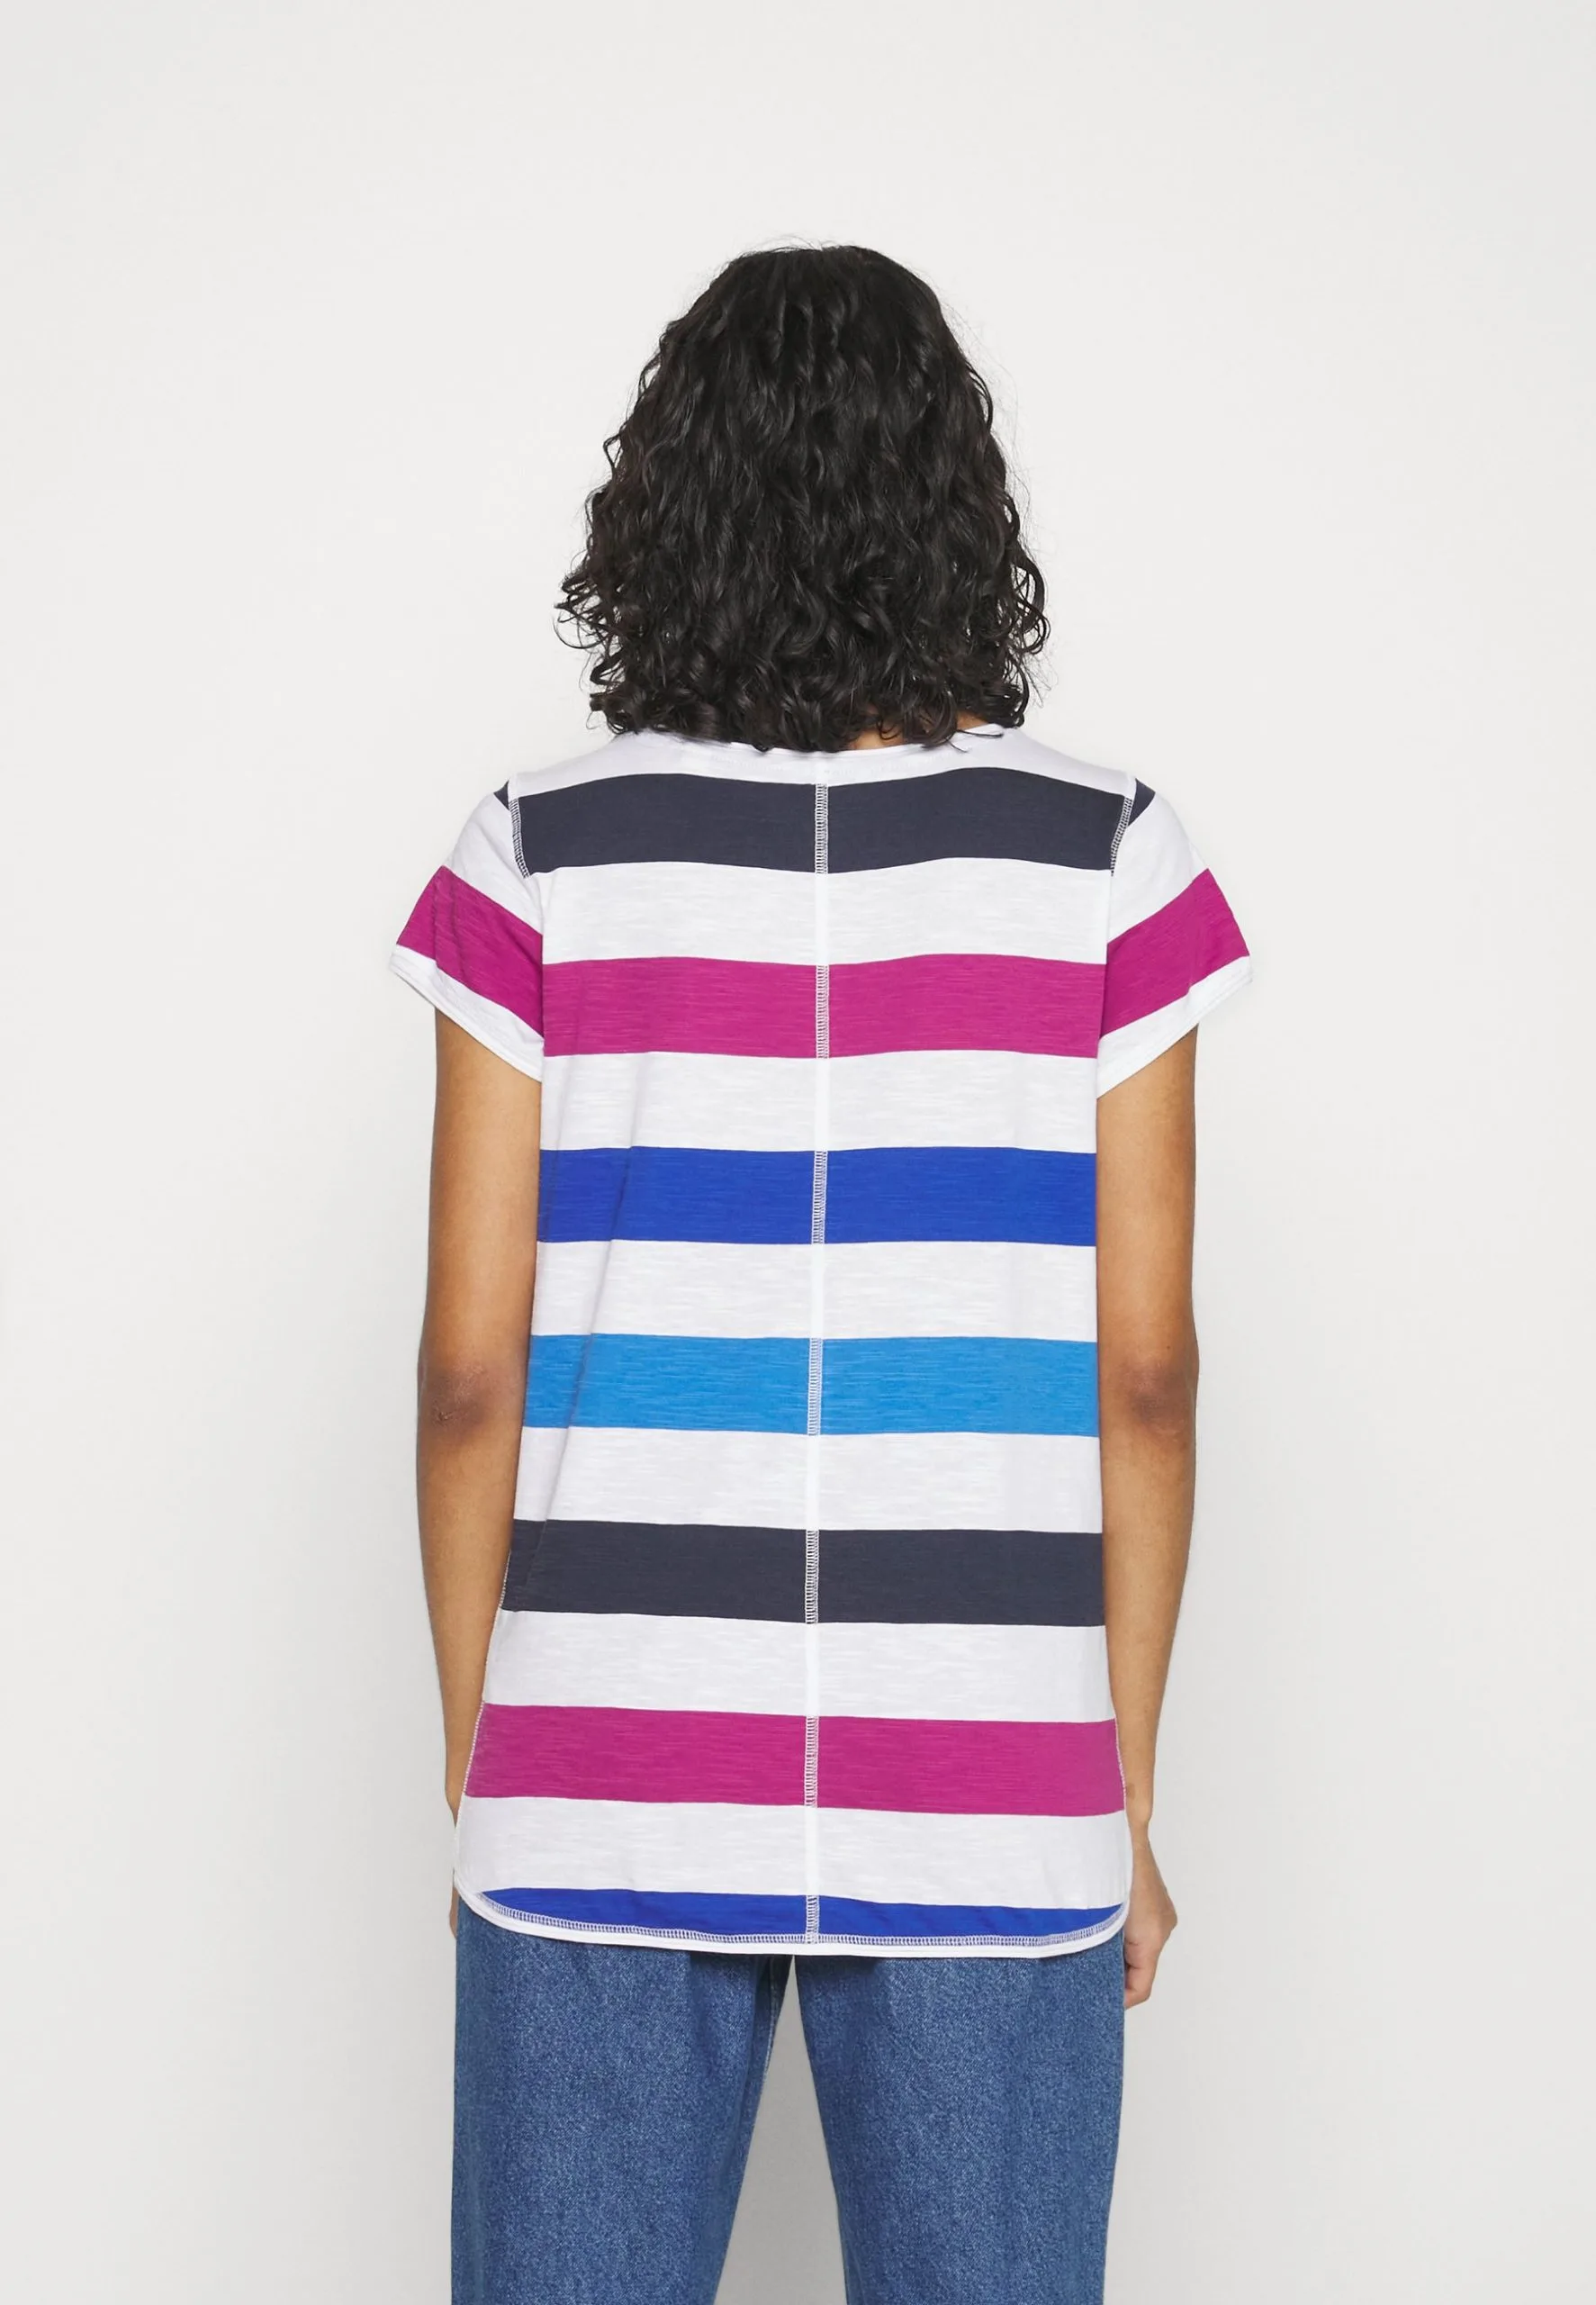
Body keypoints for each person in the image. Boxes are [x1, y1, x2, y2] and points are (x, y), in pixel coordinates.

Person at [391, 244, 1249, 2305]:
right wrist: (1113, 1790)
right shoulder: (1103, 852)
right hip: (990, 1778)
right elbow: (1145, 1369)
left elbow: (465, 1367)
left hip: (602, 1771)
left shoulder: (541, 849)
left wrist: (496, 1768)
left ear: (667, 504)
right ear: (954, 501)